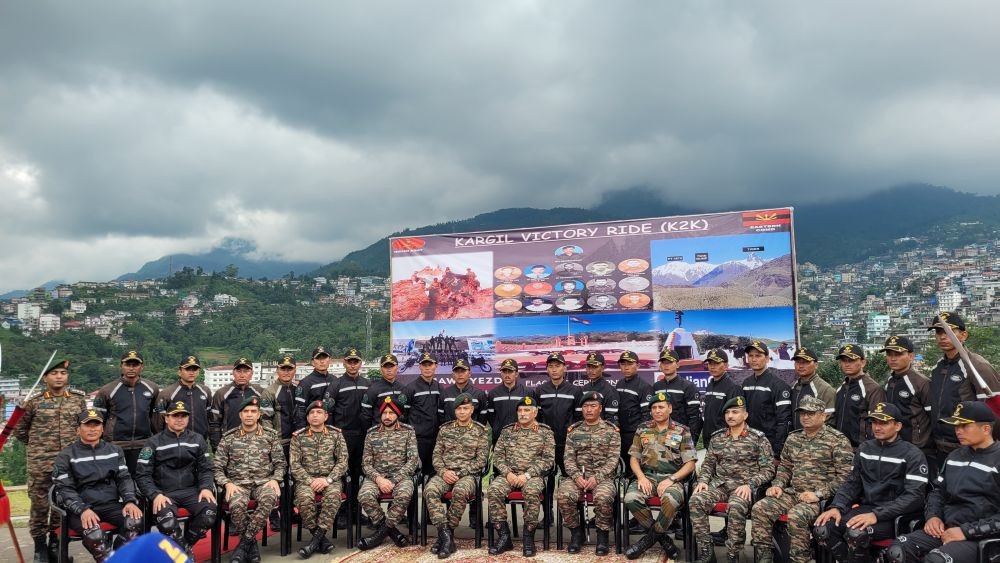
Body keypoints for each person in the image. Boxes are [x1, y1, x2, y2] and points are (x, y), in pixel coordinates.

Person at [885, 401, 1000, 563]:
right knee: (898, 550)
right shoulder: (954, 457)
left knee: (936, 560)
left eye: (964, 426)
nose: (958, 431)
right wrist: (933, 516)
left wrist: (966, 532)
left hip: (979, 538)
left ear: (986, 429)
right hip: (945, 529)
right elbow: (937, 492)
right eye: (956, 426)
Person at [814, 402, 928, 563]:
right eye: (874, 422)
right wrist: (836, 506)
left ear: (898, 426)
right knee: (822, 529)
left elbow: (914, 497)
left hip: (894, 515)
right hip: (865, 509)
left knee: (856, 534)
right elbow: (852, 483)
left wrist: (877, 514)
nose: (877, 427)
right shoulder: (865, 448)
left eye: (884, 422)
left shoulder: (913, 454)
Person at [750, 396, 854, 563]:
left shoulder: (837, 440)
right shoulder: (793, 438)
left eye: (810, 413)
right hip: (794, 493)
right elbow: (785, 467)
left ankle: (801, 559)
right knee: (760, 508)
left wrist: (819, 494)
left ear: (823, 415)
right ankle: (764, 558)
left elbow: (846, 477)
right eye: (802, 413)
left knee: (797, 515)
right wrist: (778, 485)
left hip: (821, 499)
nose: (805, 417)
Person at [14, 358, 87, 563]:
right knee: (39, 505)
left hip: (68, 463)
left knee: (62, 504)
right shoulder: (34, 402)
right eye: (54, 373)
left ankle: (56, 544)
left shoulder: (77, 400)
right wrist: (40, 446)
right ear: (46, 377)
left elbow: (81, 427)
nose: (58, 377)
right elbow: (20, 431)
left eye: (62, 373)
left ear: (67, 377)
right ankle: (40, 547)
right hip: (40, 463)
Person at [690, 396, 775, 563]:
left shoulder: (758, 438)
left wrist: (750, 484)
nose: (730, 416)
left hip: (743, 488)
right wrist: (703, 481)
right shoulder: (717, 437)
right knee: (695, 500)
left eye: (735, 412)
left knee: (736, 506)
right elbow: (708, 464)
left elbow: (769, 469)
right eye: (727, 412)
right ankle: (707, 551)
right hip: (720, 485)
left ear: (745, 415)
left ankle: (732, 554)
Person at [51, 409, 143, 563]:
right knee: (95, 534)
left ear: (102, 428)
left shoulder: (115, 451)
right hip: (81, 509)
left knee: (135, 521)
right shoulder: (66, 455)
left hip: (111, 505)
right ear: (78, 429)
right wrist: (82, 509)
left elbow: (124, 478)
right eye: (87, 425)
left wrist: (129, 500)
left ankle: (118, 558)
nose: (92, 429)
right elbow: (64, 488)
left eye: (96, 425)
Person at [134, 400, 217, 558]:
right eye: (175, 416)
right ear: (166, 418)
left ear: (188, 418)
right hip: (164, 493)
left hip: (191, 491)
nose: (179, 419)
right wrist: (154, 494)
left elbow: (206, 468)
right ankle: (184, 554)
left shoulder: (197, 439)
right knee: (167, 522)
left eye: (183, 416)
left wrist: (206, 487)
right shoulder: (153, 442)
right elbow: (142, 474)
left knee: (210, 512)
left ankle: (180, 550)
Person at [623, 391, 697, 560]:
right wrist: (641, 478)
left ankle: (647, 540)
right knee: (630, 498)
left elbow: (691, 463)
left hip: (673, 478)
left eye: (661, 407)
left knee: (670, 501)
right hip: (647, 476)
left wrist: (671, 479)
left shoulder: (682, 431)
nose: (657, 410)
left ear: (669, 409)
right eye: (654, 408)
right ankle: (663, 539)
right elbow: (634, 459)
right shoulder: (643, 429)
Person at [213, 396, 285, 563]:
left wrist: (276, 479)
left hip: (264, 482)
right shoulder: (229, 437)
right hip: (238, 485)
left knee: (269, 498)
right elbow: (217, 467)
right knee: (237, 505)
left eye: (253, 411)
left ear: (259, 414)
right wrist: (227, 483)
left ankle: (244, 544)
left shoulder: (271, 436)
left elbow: (280, 463)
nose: (249, 415)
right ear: (240, 415)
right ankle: (252, 547)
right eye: (246, 411)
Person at [926, 312, 1000, 471]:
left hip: (969, 448)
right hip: (940, 446)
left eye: (949, 331)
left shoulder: (977, 366)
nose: (943, 337)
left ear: (963, 334)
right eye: (939, 332)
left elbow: (994, 411)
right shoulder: (937, 368)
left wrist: (988, 448)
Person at [423, 394, 491, 559]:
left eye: (465, 408)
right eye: (459, 409)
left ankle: (446, 535)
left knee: (460, 491)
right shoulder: (445, 430)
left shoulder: (480, 431)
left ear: (472, 410)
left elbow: (481, 461)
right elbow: (436, 456)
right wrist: (443, 472)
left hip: (468, 476)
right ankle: (446, 535)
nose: (462, 412)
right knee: (430, 490)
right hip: (445, 473)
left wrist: (460, 473)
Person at [487, 396, 555, 557]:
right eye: (520, 410)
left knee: (531, 492)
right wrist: (508, 473)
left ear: (535, 412)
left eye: (527, 410)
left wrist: (527, 475)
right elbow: (497, 457)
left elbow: (548, 460)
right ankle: (504, 536)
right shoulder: (507, 431)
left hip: (533, 476)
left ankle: (528, 537)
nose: (523, 414)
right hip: (508, 475)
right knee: (493, 490)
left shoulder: (545, 432)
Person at [556, 391, 621, 556]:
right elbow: (568, 459)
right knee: (564, 494)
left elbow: (613, 461)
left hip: (603, 477)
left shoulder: (611, 431)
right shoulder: (574, 431)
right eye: (585, 406)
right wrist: (577, 476)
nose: (589, 409)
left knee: (603, 497)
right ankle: (576, 533)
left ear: (600, 408)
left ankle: (602, 535)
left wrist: (597, 477)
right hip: (578, 476)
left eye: (593, 406)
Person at [357, 397, 419, 551]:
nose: (387, 416)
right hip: (377, 477)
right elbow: (366, 463)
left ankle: (379, 534)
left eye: (391, 413)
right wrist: (378, 479)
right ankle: (393, 532)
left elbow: (413, 461)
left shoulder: (408, 432)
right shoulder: (372, 434)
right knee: (364, 495)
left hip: (401, 477)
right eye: (384, 413)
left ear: (397, 414)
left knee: (405, 494)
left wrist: (394, 480)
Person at [289, 400, 348, 559]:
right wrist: (310, 481)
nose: (315, 416)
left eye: (319, 413)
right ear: (307, 418)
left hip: (330, 480)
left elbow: (343, 462)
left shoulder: (336, 435)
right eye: (312, 413)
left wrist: (328, 480)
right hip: (306, 481)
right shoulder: (298, 437)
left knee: (333, 496)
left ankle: (314, 542)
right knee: (304, 499)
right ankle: (321, 539)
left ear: (326, 416)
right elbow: (294, 465)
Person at [92, 350, 161, 472]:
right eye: (127, 364)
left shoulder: (152, 388)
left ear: (142, 367)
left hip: (143, 444)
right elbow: (98, 420)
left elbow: (154, 417)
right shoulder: (107, 391)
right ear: (121, 366)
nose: (131, 368)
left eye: (135, 365)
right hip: (115, 445)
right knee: (116, 481)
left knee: (143, 480)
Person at [325, 348, 371, 488]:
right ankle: (345, 509)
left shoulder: (368, 384)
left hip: (363, 435)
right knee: (343, 472)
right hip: (343, 435)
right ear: (344, 363)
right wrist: (333, 435)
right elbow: (328, 412)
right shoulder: (336, 385)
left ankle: (357, 509)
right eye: (349, 362)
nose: (352, 365)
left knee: (360, 472)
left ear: (360, 363)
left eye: (355, 361)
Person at [880, 336, 932, 452]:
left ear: (911, 356)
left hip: (918, 447)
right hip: (894, 444)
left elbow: (933, 415)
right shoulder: (890, 381)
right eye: (889, 354)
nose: (893, 359)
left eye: (898, 354)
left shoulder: (921, 382)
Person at [742, 340, 793, 456]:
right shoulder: (746, 383)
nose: (754, 359)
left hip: (770, 445)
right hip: (749, 444)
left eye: (758, 356)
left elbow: (784, 421)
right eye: (751, 356)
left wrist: (777, 451)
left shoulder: (779, 386)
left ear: (767, 358)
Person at [535, 352, 582, 474]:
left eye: (557, 366)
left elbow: (579, 418)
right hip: (546, 443)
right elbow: (537, 417)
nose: (554, 369)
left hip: (567, 443)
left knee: (569, 476)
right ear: (547, 369)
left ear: (565, 368)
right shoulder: (540, 390)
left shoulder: (575, 391)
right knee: (546, 478)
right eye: (551, 366)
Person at [832, 344, 887, 449]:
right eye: (844, 360)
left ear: (863, 362)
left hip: (862, 448)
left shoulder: (872, 388)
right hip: (840, 448)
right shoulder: (841, 388)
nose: (847, 364)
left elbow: (879, 423)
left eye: (851, 360)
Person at [403, 352, 445, 476]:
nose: (427, 367)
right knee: (414, 476)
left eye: (430, 364)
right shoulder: (410, 388)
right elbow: (403, 415)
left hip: (436, 440)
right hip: (417, 440)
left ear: (436, 366)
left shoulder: (440, 388)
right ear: (419, 366)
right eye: (424, 364)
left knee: (432, 476)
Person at [209, 358, 264, 450]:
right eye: (238, 371)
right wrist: (217, 447)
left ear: (252, 373)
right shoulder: (222, 393)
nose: (242, 375)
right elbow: (214, 423)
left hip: (256, 444)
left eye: (246, 371)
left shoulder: (260, 392)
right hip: (230, 444)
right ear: (233, 373)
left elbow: (265, 419)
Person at [154, 355, 212, 440]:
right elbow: (158, 422)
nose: (191, 372)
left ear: (199, 371)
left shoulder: (205, 391)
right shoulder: (167, 393)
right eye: (188, 369)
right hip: (174, 442)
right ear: (180, 371)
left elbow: (209, 417)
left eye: (194, 369)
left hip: (200, 441)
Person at [652, 348, 703, 441]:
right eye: (663, 362)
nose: (666, 365)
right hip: (660, 434)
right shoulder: (656, 387)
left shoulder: (688, 386)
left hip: (680, 435)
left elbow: (694, 416)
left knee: (677, 455)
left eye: (670, 362)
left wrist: (691, 439)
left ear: (678, 365)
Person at [616, 350, 652, 471]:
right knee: (622, 468)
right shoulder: (619, 383)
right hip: (619, 433)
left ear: (638, 365)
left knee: (634, 469)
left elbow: (647, 415)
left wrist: (639, 436)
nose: (626, 367)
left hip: (633, 434)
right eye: (623, 364)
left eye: (630, 364)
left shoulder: (644, 386)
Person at [701, 348, 743, 448]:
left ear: (725, 365)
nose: (712, 367)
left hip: (725, 441)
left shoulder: (733, 387)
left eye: (716, 363)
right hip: (709, 439)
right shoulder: (710, 385)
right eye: (710, 363)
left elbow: (737, 419)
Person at [788, 347, 836, 430]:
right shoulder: (793, 386)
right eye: (797, 362)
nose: (800, 366)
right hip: (794, 439)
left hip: (816, 440)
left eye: (806, 362)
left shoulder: (825, 389)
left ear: (816, 365)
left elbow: (830, 421)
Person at [486, 359, 530, 444]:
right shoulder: (493, 393)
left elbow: (533, 414)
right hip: (499, 437)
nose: (507, 375)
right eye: (504, 372)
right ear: (501, 374)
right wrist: (497, 427)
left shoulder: (527, 392)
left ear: (516, 374)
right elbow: (491, 416)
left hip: (522, 438)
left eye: (510, 372)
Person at [361, 353, 409, 428]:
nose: (389, 370)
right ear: (380, 369)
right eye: (386, 367)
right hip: (379, 433)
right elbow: (366, 415)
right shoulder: (373, 389)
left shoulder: (403, 388)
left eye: (392, 366)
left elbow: (406, 412)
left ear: (397, 368)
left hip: (400, 433)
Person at [260, 354, 299, 446]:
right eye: (283, 369)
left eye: (289, 369)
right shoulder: (269, 391)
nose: (286, 372)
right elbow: (265, 419)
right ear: (277, 370)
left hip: (298, 440)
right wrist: (271, 441)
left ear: (295, 371)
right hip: (279, 442)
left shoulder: (299, 389)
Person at [294, 346, 336, 430]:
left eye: (324, 358)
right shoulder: (306, 383)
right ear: (312, 362)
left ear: (330, 360)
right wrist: (303, 431)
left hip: (332, 428)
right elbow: (300, 411)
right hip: (313, 429)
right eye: (318, 358)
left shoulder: (335, 380)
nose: (322, 361)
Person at [577, 352, 620, 425]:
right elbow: (579, 415)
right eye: (589, 367)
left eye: (594, 367)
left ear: (602, 368)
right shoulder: (583, 389)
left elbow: (612, 420)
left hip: (602, 434)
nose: (591, 370)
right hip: (583, 432)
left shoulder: (610, 391)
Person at [441, 358, 489, 424]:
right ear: (453, 375)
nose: (460, 374)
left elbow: (483, 418)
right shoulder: (445, 393)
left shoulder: (479, 394)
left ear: (469, 374)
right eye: (457, 371)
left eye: (463, 371)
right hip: (449, 433)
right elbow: (441, 416)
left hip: (472, 433)